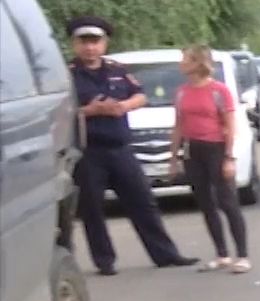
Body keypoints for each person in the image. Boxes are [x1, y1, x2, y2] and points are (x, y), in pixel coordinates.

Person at [66, 15, 197, 275]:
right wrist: (88, 110)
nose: (90, 47)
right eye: (84, 42)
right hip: (88, 151)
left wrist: (123, 106)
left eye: (95, 41)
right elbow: (59, 111)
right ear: (75, 44)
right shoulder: (67, 75)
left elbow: (140, 96)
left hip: (121, 148)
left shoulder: (117, 70)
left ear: (105, 43)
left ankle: (166, 255)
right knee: (92, 210)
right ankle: (105, 262)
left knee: (143, 202)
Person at [168, 45, 250, 273]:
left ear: (198, 63)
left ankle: (242, 255)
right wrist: (173, 157)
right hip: (193, 151)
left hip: (216, 148)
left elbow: (230, 125)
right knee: (205, 203)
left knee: (227, 201)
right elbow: (178, 125)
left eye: (186, 59)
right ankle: (221, 254)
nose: (181, 63)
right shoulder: (182, 91)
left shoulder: (218, 90)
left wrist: (229, 157)